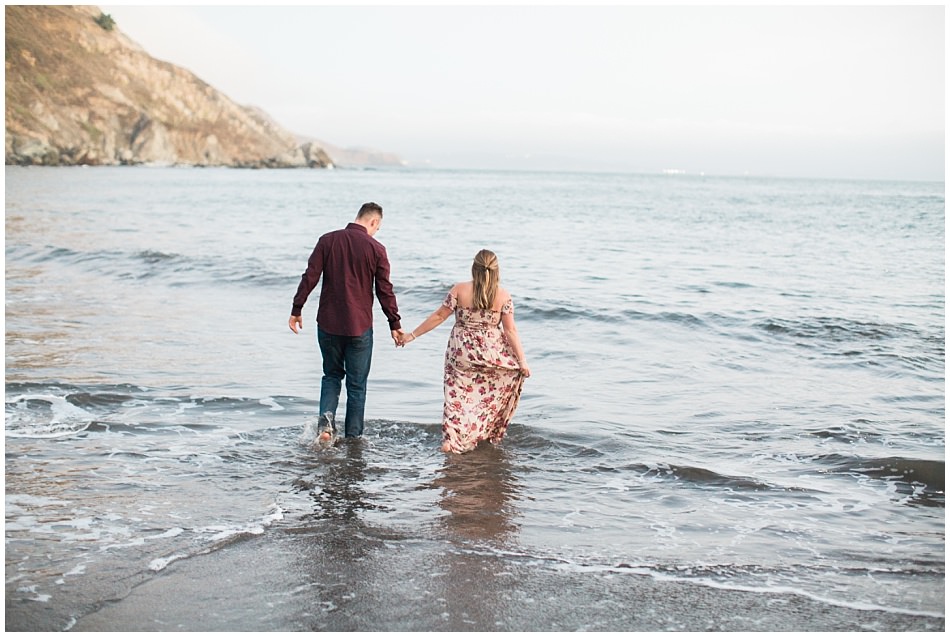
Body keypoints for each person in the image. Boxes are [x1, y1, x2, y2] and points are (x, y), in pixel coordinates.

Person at [289, 202, 403, 439]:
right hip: (360, 327)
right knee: (357, 385)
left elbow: (310, 277)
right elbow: (385, 290)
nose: (376, 232)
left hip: (328, 324)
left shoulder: (327, 240)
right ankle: (354, 438)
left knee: (331, 376)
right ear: (374, 222)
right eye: (377, 228)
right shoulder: (376, 249)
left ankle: (325, 427)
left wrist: (297, 308)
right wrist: (394, 323)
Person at [400, 249, 530, 453]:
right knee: (483, 398)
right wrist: (522, 362)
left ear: (473, 268)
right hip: (491, 352)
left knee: (457, 395)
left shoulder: (459, 290)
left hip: (461, 350)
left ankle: (451, 440)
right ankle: (477, 434)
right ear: (496, 271)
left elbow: (439, 316)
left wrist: (412, 335)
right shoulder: (503, 295)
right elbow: (510, 330)